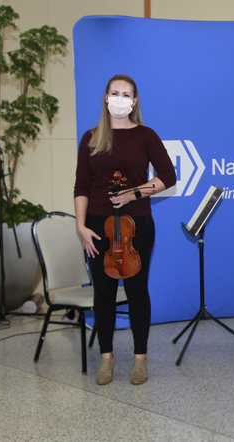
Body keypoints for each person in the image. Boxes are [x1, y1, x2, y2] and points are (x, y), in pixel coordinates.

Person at [74, 74, 176, 386]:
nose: (120, 99)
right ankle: (106, 358)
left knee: (136, 292)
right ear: (106, 98)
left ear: (134, 101)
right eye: (114, 93)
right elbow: (82, 185)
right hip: (97, 225)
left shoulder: (145, 135)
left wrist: (136, 192)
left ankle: (140, 359)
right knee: (103, 293)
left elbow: (168, 176)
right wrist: (80, 226)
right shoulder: (91, 137)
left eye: (126, 94)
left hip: (137, 225)